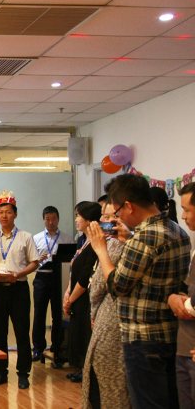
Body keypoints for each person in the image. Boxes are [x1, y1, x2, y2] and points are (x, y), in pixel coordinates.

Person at [87, 174, 191, 409]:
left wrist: (101, 250)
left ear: (129, 206)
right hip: (171, 333)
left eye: (117, 212)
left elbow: (117, 286)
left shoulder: (143, 238)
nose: (118, 218)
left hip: (143, 339)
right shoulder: (178, 231)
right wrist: (129, 240)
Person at [0, 190, 39, 390]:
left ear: (15, 214)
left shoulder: (26, 237)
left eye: (8, 212)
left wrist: (19, 273)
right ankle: (0, 372)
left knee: (22, 332)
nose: (4, 216)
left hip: (19, 289)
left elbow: (34, 262)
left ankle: (23, 374)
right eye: (1, 212)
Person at [81, 201, 131, 409]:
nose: (102, 221)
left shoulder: (116, 243)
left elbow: (101, 284)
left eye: (108, 217)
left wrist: (93, 313)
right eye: (103, 215)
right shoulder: (123, 241)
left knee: (107, 378)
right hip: (114, 318)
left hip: (111, 317)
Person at [62, 202, 101, 384]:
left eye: (78, 215)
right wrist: (67, 293)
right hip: (75, 297)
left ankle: (87, 378)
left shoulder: (95, 245)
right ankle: (82, 373)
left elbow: (85, 279)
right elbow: (74, 272)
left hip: (85, 300)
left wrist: (70, 299)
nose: (76, 219)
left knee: (85, 340)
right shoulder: (84, 242)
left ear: (89, 219)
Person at [31, 205, 74, 365]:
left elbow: (71, 260)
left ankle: (58, 346)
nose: (50, 222)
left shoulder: (67, 238)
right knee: (39, 314)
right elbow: (30, 261)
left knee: (58, 314)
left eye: (53, 218)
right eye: (47, 219)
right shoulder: (35, 238)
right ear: (43, 220)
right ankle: (38, 348)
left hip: (59, 279)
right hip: (41, 278)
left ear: (58, 219)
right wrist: (38, 260)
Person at [168, 182, 195, 408]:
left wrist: (182, 304)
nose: (183, 216)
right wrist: (175, 298)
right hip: (185, 346)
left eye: (186, 210)